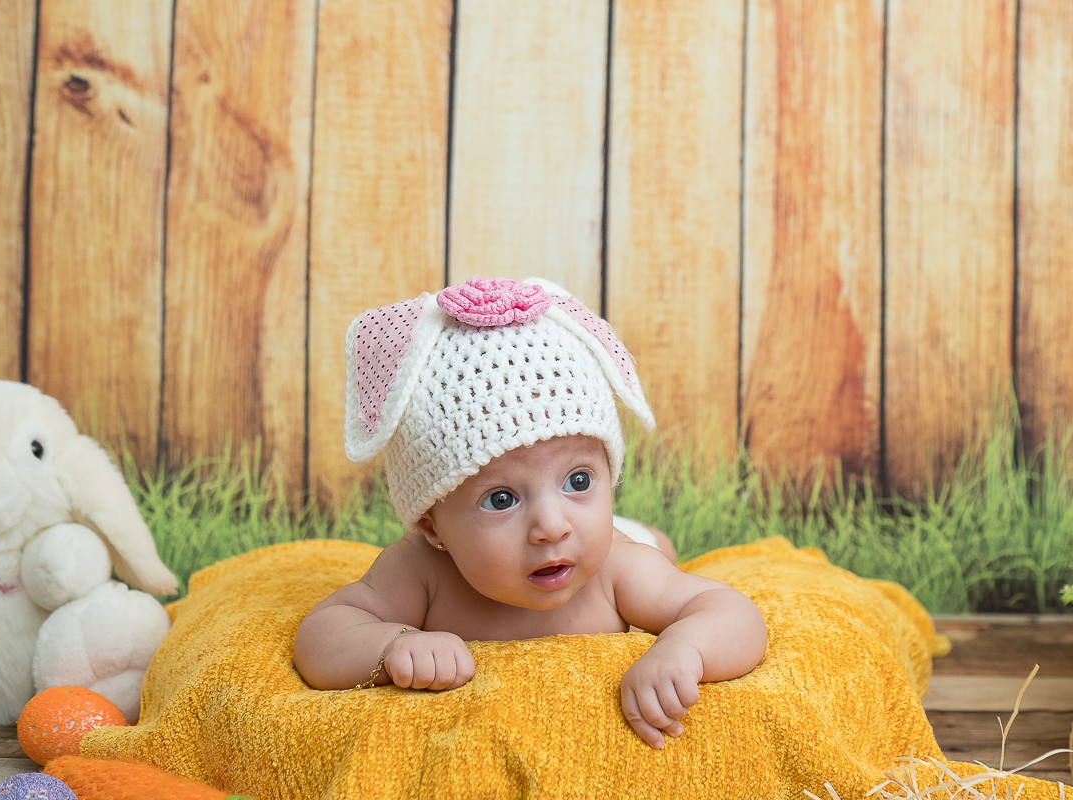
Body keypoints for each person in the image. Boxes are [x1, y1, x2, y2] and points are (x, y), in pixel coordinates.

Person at [293, 277, 767, 748]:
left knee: (651, 548)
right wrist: (390, 645)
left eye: (578, 481)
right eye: (502, 499)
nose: (551, 526)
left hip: (624, 543)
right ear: (431, 525)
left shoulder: (616, 569)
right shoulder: (421, 569)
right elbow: (321, 636)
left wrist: (684, 648)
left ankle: (642, 532)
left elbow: (732, 612)